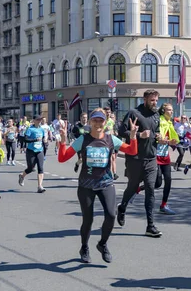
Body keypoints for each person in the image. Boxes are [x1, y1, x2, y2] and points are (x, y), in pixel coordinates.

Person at [57, 109, 138, 264]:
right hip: (86, 185)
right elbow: (62, 158)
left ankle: (102, 244)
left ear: (105, 122)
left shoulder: (111, 139)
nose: (98, 123)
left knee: (111, 215)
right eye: (95, 120)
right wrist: (62, 140)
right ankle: (84, 247)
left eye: (101, 120)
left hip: (105, 182)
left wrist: (133, 137)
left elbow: (132, 151)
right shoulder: (83, 139)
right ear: (90, 122)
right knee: (88, 220)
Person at [116, 89, 165, 238]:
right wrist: (139, 135)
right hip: (135, 159)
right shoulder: (134, 113)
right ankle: (122, 207)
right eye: (152, 100)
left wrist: (158, 137)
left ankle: (150, 226)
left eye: (156, 100)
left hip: (151, 159)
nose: (155, 103)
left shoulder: (156, 115)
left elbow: (155, 132)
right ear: (145, 99)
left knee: (150, 189)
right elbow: (121, 132)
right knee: (132, 188)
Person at [155, 103, 180, 215]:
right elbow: (158, 138)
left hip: (165, 156)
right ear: (163, 111)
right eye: (169, 110)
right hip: (155, 155)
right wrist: (167, 141)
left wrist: (173, 142)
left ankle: (164, 205)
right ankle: (137, 190)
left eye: (172, 110)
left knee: (168, 181)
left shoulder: (170, 123)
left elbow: (171, 138)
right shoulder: (159, 121)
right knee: (157, 183)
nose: (171, 112)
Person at [19, 115, 47, 193]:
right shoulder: (30, 129)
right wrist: (35, 140)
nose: (39, 121)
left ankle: (40, 186)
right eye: (37, 120)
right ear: (34, 120)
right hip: (31, 151)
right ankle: (22, 175)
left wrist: (44, 150)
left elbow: (43, 140)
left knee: (40, 168)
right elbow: (25, 139)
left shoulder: (42, 129)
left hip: (39, 151)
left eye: (40, 120)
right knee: (31, 168)